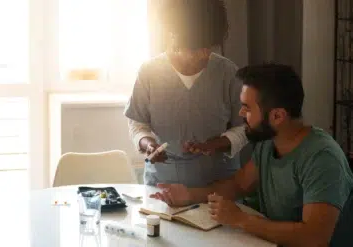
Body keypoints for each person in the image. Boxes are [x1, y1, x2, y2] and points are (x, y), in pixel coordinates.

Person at [150, 64, 353, 247]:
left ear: (277, 116)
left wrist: (241, 219)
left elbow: (314, 238)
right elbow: (239, 184)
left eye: (247, 107)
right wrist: (188, 194)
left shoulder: (322, 159)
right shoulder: (268, 143)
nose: (240, 114)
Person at [124, 0, 248, 187]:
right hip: (163, 182)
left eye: (209, 47)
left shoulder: (227, 72)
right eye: (196, 49)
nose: (204, 55)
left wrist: (216, 143)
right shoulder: (149, 72)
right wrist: (148, 144)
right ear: (174, 37)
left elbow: (245, 126)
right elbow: (137, 123)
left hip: (218, 183)